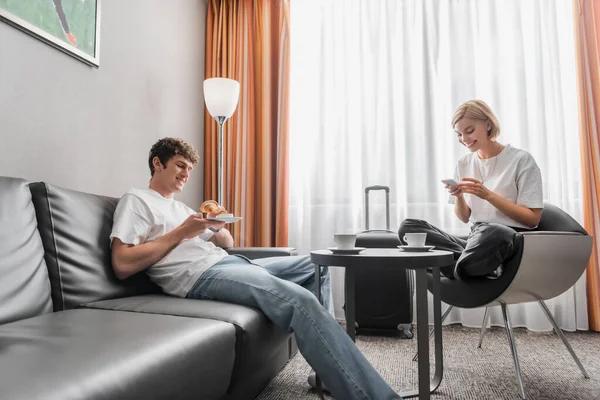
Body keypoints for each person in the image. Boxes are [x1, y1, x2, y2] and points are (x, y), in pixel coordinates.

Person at [110, 137, 401, 400]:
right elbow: (122, 263)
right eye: (180, 166)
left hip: (226, 262)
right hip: (200, 277)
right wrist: (181, 233)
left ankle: (328, 375)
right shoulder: (137, 200)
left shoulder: (183, 209)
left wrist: (217, 225)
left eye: (189, 169)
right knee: (299, 302)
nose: (186, 174)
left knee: (318, 265)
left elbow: (226, 242)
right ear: (157, 164)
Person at [399, 100, 544, 280]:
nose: (464, 139)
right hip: (476, 240)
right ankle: (470, 267)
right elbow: (464, 217)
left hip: (507, 240)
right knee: (409, 227)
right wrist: (459, 196)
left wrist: (488, 195)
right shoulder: (464, 163)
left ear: (488, 124)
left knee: (495, 231)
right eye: (459, 134)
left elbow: (532, 219)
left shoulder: (521, 160)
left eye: (469, 131)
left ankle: (456, 267)